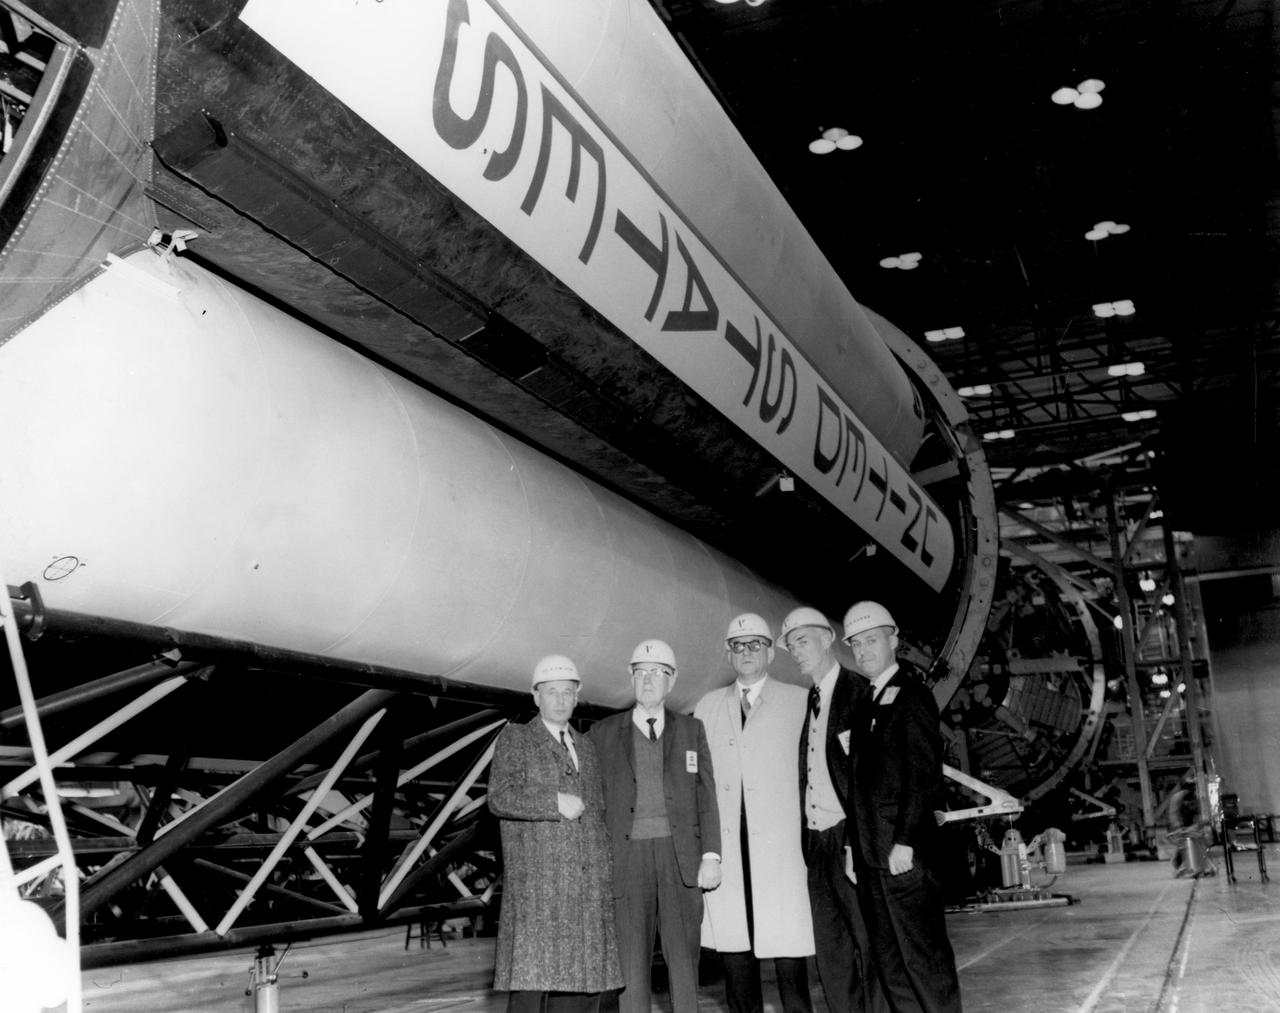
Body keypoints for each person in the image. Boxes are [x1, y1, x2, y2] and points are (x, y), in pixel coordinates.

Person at [589, 639, 721, 1013]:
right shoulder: (601, 734)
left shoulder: (693, 730)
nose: (649, 681)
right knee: (630, 968)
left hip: (680, 860)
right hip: (626, 861)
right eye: (641, 673)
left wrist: (711, 855)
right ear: (630, 678)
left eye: (658, 673)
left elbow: (707, 798)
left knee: (683, 965)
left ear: (673, 680)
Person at [842, 602, 961, 1013]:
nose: (863, 651)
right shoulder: (864, 703)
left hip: (902, 855)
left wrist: (907, 841)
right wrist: (851, 848)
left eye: (871, 640)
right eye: (855, 644)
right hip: (871, 857)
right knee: (891, 964)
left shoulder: (913, 696)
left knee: (923, 960)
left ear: (893, 640)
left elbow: (924, 776)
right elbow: (858, 787)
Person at [694, 613, 816, 1013]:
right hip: (729, 848)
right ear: (727, 654)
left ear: (770, 651)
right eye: (737, 646)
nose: (746, 653)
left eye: (755, 645)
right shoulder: (707, 707)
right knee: (736, 956)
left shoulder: (799, 702)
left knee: (788, 955)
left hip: (782, 849)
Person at [489, 655, 623, 1013]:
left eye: (568, 692)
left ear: (577, 697)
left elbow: (598, 816)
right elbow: (499, 797)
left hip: (586, 890)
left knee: (579, 989)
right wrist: (552, 801)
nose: (561, 700)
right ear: (536, 697)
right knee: (531, 991)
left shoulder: (587, 747)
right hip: (538, 890)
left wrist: (604, 876)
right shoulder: (516, 738)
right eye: (552, 692)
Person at [784, 606, 883, 1013]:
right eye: (790, 647)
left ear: (827, 640)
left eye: (802, 641)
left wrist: (858, 844)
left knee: (870, 945)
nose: (796, 652)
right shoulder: (814, 697)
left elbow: (872, 780)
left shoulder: (860, 693)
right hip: (818, 842)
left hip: (848, 839)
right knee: (832, 952)